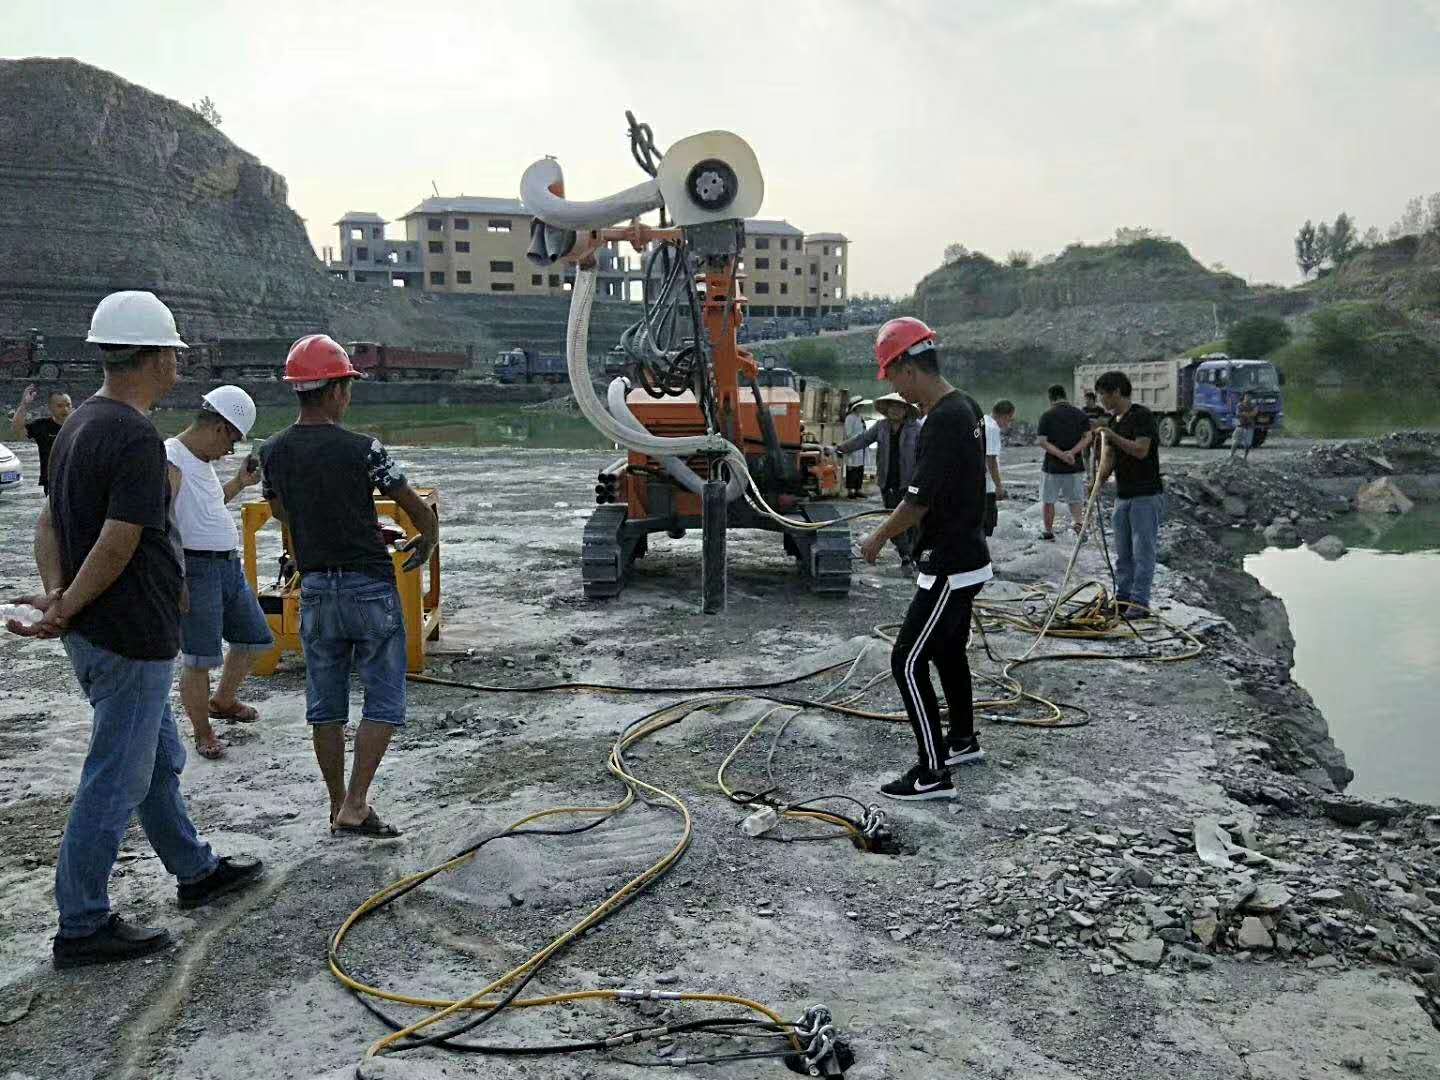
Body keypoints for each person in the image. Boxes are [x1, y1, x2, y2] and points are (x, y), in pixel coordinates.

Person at [6, 291, 262, 968]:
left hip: (97, 631)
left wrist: (63, 596)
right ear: (153, 359)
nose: (178, 363)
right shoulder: (132, 437)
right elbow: (118, 542)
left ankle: (195, 869)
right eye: (174, 352)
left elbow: (49, 525)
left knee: (150, 765)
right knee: (116, 776)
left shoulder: (80, 427)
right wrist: (68, 603)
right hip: (127, 637)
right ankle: (83, 924)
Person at [262, 334, 438, 838]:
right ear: (338, 390)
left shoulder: (271, 451)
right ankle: (357, 804)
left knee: (326, 704)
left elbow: (279, 512)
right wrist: (427, 540)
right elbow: (412, 504)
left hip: (315, 588)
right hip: (368, 587)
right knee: (382, 699)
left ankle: (337, 802)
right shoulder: (364, 449)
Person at [858, 317, 991, 801]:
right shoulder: (967, 406)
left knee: (907, 661)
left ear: (908, 367)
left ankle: (932, 773)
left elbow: (917, 502)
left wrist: (876, 538)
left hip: (949, 564)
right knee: (948, 651)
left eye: (892, 375)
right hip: (967, 555)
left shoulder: (942, 419)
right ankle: (961, 740)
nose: (893, 387)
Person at [165, 386, 274, 760]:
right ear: (216, 427)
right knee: (199, 657)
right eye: (230, 441)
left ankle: (223, 700)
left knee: (255, 637)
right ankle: (202, 732)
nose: (230, 451)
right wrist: (175, 578)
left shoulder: (202, 462)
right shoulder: (171, 458)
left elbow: (208, 505)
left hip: (227, 564)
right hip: (196, 569)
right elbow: (161, 523)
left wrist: (240, 484)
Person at [1093, 369, 1165, 615]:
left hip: (1145, 494)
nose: (1102, 400)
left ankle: (1139, 602)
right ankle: (1123, 597)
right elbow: (1110, 458)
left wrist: (1112, 435)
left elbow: (1141, 450)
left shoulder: (1141, 416)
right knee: (1123, 551)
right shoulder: (1114, 421)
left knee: (1142, 550)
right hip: (1122, 495)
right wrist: (1098, 482)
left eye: (1104, 395)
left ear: (1116, 392)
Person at [834, 392, 921, 567]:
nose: (895, 410)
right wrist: (839, 448)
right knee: (892, 517)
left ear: (906, 410)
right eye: (892, 406)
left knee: (911, 520)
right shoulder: (881, 427)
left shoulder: (917, 429)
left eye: (899, 407)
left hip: (910, 481)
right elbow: (862, 440)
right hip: (887, 480)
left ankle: (913, 551)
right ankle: (905, 553)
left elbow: (927, 454)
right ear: (886, 409)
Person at [1036, 384, 1093, 540]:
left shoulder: (1047, 415)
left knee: (1048, 500)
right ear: (1064, 395)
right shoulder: (1080, 414)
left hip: (1052, 467)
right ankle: (1079, 527)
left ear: (1051, 398)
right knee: (1075, 499)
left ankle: (1048, 531)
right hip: (1074, 465)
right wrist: (1072, 453)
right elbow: (1088, 437)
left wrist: (1061, 455)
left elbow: (1042, 441)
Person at [9, 384, 73, 493]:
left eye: (68, 405)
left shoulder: (80, 425)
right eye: (60, 406)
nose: (65, 409)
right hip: (52, 482)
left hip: (77, 480)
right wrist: (24, 405)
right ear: (50, 407)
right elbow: (17, 429)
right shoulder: (42, 425)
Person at [985, 401, 1015, 537]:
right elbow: (990, 460)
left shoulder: (983, 421)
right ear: (1004, 416)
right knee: (987, 524)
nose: (1009, 424)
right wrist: (999, 486)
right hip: (986, 486)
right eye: (1010, 419)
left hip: (976, 483)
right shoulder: (992, 428)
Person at [840, 396, 871, 498]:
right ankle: (850, 491)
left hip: (861, 446)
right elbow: (848, 433)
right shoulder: (850, 418)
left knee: (859, 469)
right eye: (860, 406)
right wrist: (857, 439)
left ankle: (858, 489)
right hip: (853, 446)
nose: (861, 408)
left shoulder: (859, 417)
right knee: (851, 469)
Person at [1081, 389, 1107, 484]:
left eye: (1088, 400)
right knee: (1085, 455)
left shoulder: (1100, 410)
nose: (1086, 401)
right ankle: (1088, 475)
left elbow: (1103, 422)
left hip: (1097, 435)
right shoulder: (1083, 410)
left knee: (1098, 455)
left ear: (1092, 400)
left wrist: (1095, 423)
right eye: (1085, 400)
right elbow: (1082, 422)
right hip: (1086, 435)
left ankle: (1100, 475)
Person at [1231, 393, 1257, 462]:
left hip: (1249, 426)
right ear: (1244, 397)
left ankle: (1245, 457)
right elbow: (1238, 414)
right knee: (1235, 441)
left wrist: (1245, 414)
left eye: (1249, 396)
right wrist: (1247, 414)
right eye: (1246, 396)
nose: (1248, 398)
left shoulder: (1253, 405)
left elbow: (1254, 413)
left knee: (1248, 444)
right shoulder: (1240, 405)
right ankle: (1231, 454)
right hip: (1240, 425)